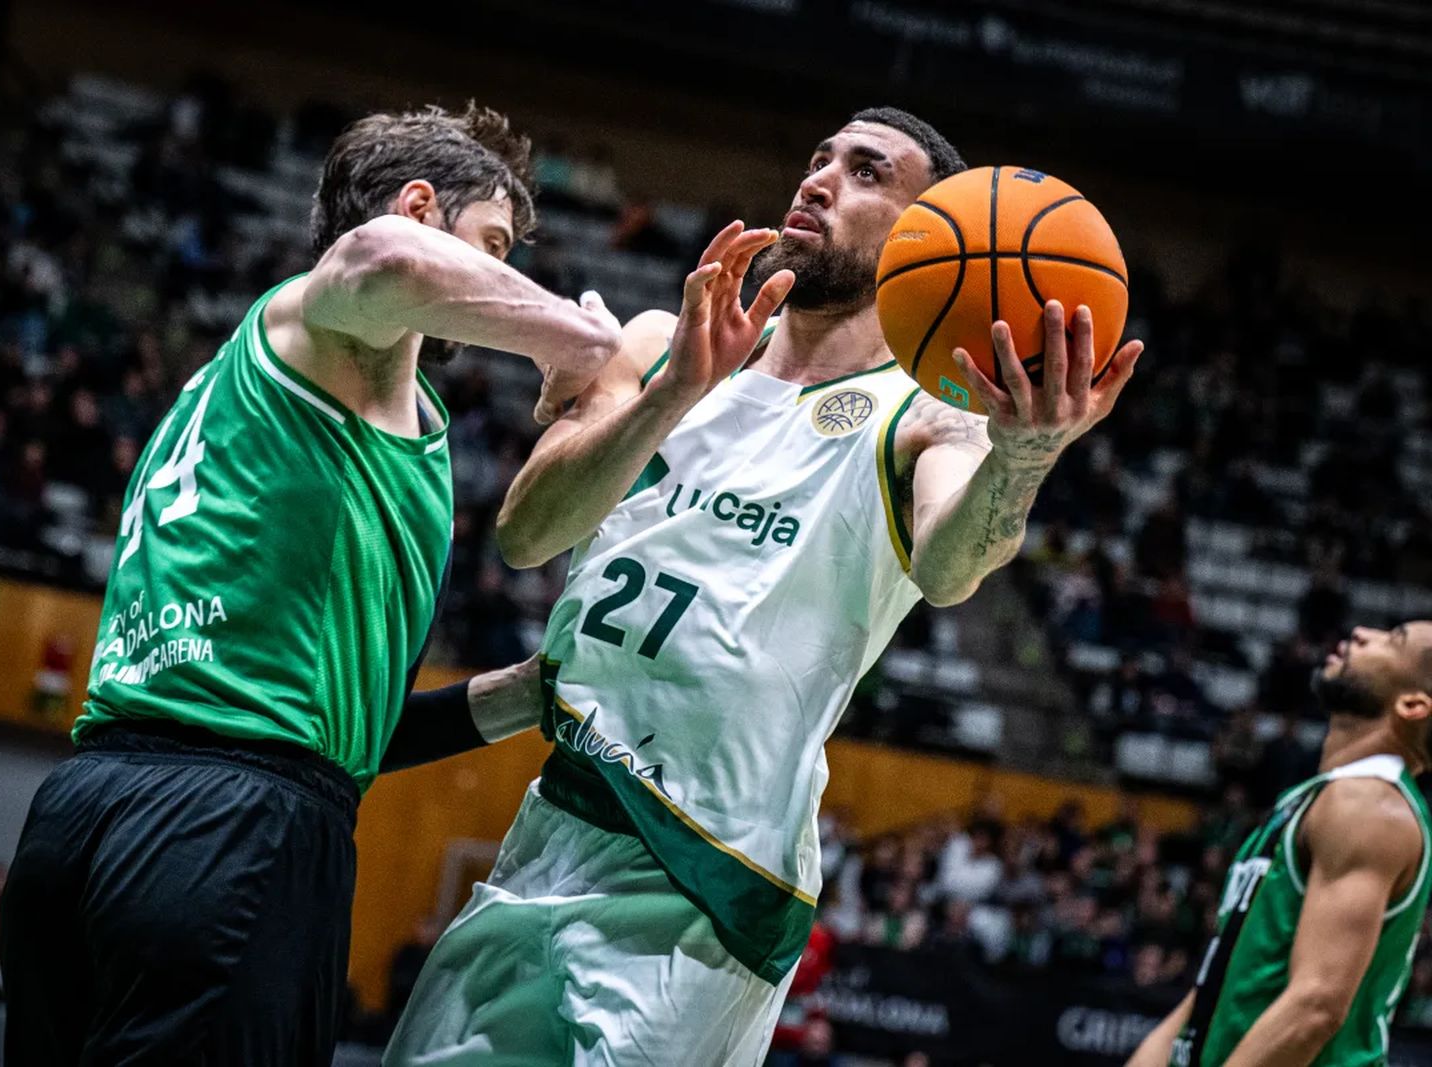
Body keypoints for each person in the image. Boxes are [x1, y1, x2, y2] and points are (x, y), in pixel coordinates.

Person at [386, 106, 1142, 1064]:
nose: (820, 177)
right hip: (558, 816)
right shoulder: (669, 339)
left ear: (931, 237)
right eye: (818, 155)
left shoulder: (926, 421)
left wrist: (1025, 453)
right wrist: (671, 393)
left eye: (867, 171)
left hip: (711, 873)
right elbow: (528, 533)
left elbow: (954, 568)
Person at [0, 102, 619, 1067]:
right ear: (416, 206)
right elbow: (386, 263)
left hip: (88, 815)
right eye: (496, 248)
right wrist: (580, 345)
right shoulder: (331, 331)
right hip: (232, 831)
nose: (509, 278)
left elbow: (336, 733)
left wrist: (524, 695)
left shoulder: (255, 395)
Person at [1127, 623, 1432, 1066]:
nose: (1364, 633)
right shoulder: (1318, 798)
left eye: (1394, 640)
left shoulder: (1368, 807)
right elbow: (1213, 988)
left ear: (1412, 705)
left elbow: (1316, 1005)